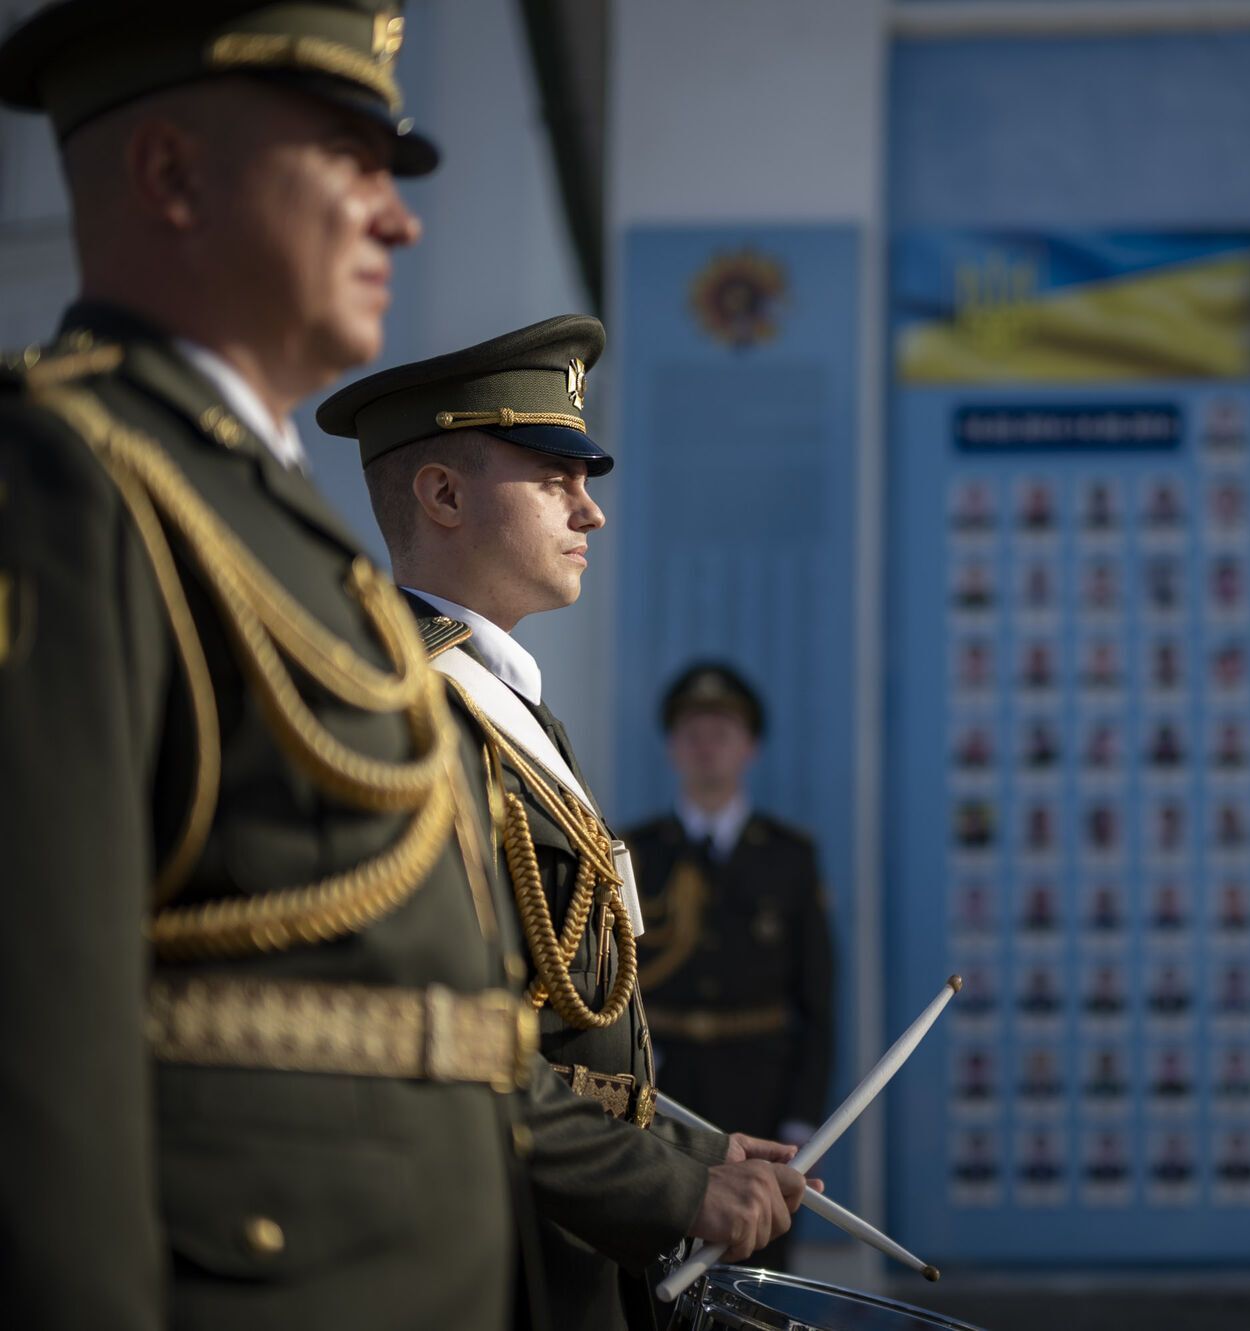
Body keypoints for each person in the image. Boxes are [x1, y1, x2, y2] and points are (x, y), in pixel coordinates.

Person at [0, 5, 792, 1326]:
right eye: (348, 161)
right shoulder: (67, 481)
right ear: (171, 175)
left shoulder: (260, 516)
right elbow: (40, 1035)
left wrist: (686, 1150)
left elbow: (428, 1023)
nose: (400, 219)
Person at [319, 316, 809, 1328]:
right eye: (554, 477)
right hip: (491, 1269)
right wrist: (675, 1190)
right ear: (443, 494)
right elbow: (440, 1047)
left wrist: (689, 1148)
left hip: (562, 1248)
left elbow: (558, 1044)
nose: (590, 513)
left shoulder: (500, 703)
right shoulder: (401, 712)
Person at [626, 662, 836, 1272]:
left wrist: (805, 1120)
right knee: (658, 1263)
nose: (706, 747)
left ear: (750, 748)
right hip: (664, 1096)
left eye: (722, 733)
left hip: (762, 1096)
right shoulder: (632, 851)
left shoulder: (791, 858)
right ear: (672, 748)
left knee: (756, 1272)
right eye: (692, 733)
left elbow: (817, 1003)